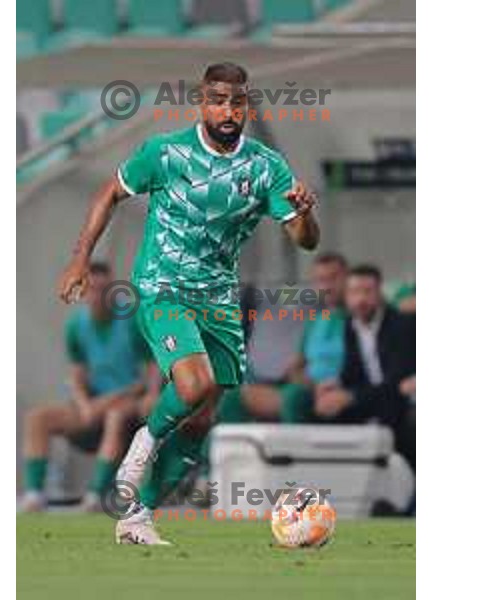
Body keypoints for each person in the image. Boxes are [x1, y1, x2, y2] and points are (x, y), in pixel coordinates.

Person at [58, 62, 320, 544]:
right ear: (203, 102)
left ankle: (138, 518)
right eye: (218, 100)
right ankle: (143, 445)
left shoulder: (266, 166)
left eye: (237, 102)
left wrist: (304, 214)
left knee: (202, 418)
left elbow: (304, 241)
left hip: (219, 299)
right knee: (193, 383)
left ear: (245, 105)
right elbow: (110, 192)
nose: (228, 110)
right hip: (163, 286)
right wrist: (79, 259)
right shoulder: (166, 151)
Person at [22, 262, 159, 512]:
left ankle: (95, 496)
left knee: (115, 416)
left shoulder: (131, 322)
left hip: (128, 405)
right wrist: (85, 405)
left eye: (104, 289)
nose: (97, 295)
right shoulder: (76, 326)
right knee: (37, 419)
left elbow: (150, 370)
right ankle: (34, 495)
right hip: (93, 407)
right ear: (82, 292)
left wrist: (150, 395)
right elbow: (77, 373)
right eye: (92, 289)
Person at [315, 265, 416, 477]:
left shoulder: (401, 325)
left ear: (379, 293)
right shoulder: (350, 326)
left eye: (367, 291)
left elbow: (397, 382)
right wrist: (335, 385)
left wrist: (350, 396)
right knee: (327, 410)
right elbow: (352, 373)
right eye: (354, 292)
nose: (361, 299)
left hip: (399, 398)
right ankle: (342, 483)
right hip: (371, 397)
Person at [241, 252, 348, 421]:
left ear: (347, 278)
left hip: (342, 387)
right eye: (321, 280)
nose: (327, 286)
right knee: (231, 397)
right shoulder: (315, 320)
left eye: (333, 278)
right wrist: (304, 382)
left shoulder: (358, 315)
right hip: (308, 387)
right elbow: (296, 365)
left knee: (293, 398)